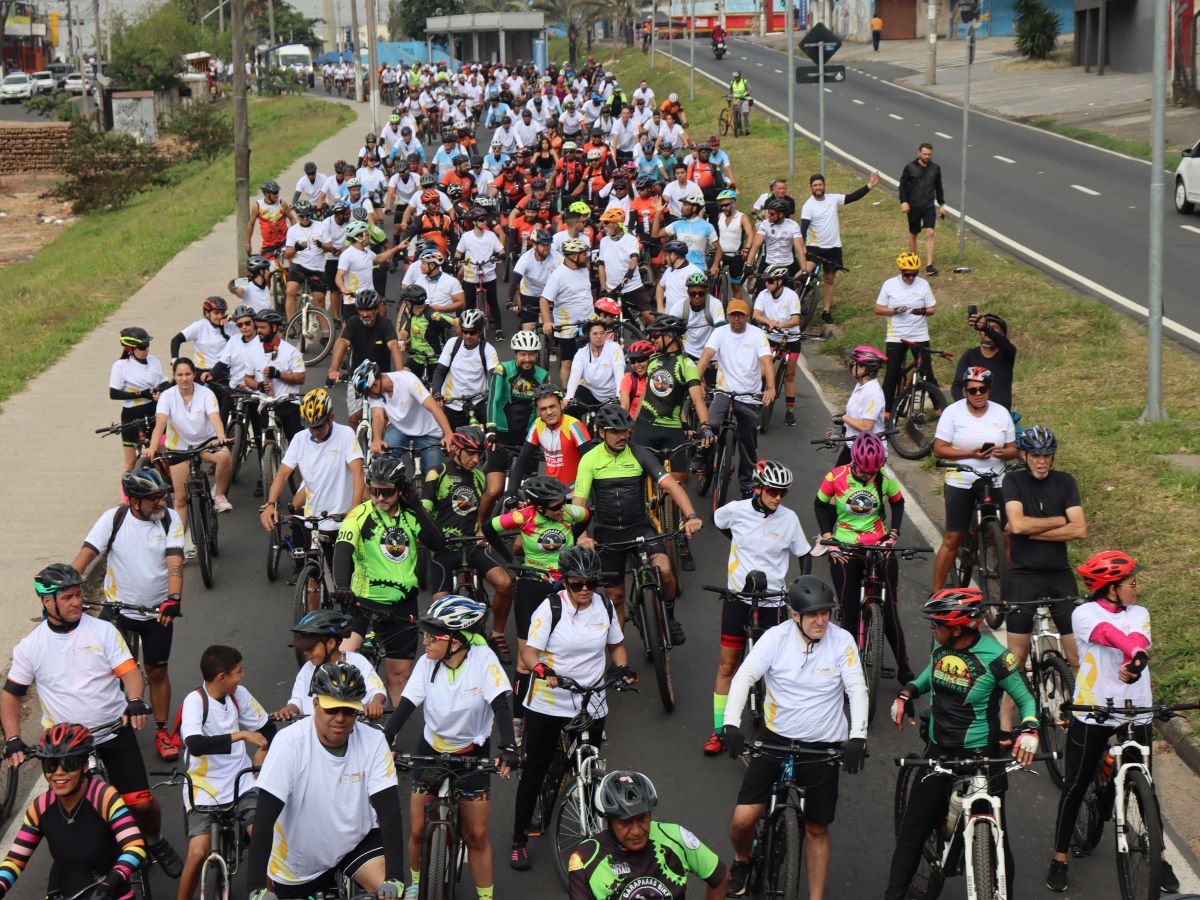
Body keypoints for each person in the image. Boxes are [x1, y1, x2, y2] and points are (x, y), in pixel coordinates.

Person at [3, 564, 182, 876]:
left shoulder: (102, 631)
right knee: (72, 814)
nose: (77, 602)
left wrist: (135, 700)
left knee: (141, 803)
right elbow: (10, 696)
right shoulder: (30, 647)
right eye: (68, 597)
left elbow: (130, 672)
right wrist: (13, 738)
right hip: (65, 746)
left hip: (113, 730)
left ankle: (155, 839)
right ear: (47, 602)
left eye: (79, 594)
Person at [884, 589, 1040, 900]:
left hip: (983, 758)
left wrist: (1030, 730)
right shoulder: (941, 645)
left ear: (956, 629)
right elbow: (931, 674)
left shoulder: (997, 658)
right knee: (912, 835)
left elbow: (1025, 699)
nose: (931, 627)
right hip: (939, 753)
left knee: (999, 842)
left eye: (936, 623)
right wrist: (907, 693)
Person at [722, 577, 868, 900]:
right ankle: (742, 861)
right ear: (794, 615)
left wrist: (858, 736)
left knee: (817, 828)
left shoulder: (842, 641)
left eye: (825, 613)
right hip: (776, 738)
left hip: (823, 745)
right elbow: (744, 676)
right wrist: (730, 724)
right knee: (743, 819)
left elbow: (857, 688)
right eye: (812, 614)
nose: (821, 621)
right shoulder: (775, 638)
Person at [1045, 551, 1179, 894]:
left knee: (1147, 787)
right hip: (1094, 710)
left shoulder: (1140, 612)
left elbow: (1138, 640)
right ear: (1110, 588)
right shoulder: (1084, 613)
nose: (1136, 587)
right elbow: (1108, 634)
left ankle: (1160, 857)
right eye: (1131, 583)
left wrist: (1135, 660)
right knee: (1075, 786)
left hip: (1136, 709)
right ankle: (1060, 857)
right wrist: (1133, 654)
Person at [385, 596, 519, 900]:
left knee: (478, 836)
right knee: (417, 830)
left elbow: (500, 705)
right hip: (431, 749)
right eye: (425, 635)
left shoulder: (484, 660)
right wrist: (386, 737)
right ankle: (416, 883)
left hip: (471, 753)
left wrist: (509, 746)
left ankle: (486, 897)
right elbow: (407, 704)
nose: (426, 642)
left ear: (456, 641)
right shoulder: (426, 663)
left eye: (433, 636)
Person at [510, 546, 635, 871]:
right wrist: (541, 669)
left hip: (592, 700)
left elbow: (616, 646)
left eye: (590, 583)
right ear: (565, 582)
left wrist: (622, 668)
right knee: (535, 769)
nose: (585, 590)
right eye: (577, 584)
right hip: (550, 702)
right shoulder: (550, 608)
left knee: (589, 766)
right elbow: (529, 653)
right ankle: (519, 840)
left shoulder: (603, 606)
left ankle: (593, 831)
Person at [246, 662, 406, 899]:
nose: (340, 718)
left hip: (355, 842)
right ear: (315, 704)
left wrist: (395, 877)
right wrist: (256, 888)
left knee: (390, 894)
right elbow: (264, 818)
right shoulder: (289, 743)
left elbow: (389, 811)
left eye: (348, 710)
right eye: (332, 709)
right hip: (300, 861)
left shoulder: (374, 740)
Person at [72, 469, 185, 761]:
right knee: (105, 671)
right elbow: (85, 557)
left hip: (157, 612)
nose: (161, 502)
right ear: (134, 501)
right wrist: (64, 588)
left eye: (163, 495)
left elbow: (174, 562)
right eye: (154, 498)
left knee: (157, 672)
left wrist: (173, 598)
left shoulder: (170, 519)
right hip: (117, 610)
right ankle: (103, 725)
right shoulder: (114, 519)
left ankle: (162, 731)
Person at [705, 461, 811, 756]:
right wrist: (737, 540)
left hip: (773, 602)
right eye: (773, 491)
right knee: (728, 665)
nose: (778, 497)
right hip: (738, 599)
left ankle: (779, 728)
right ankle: (718, 730)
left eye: (783, 493)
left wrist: (801, 586)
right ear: (758, 488)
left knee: (777, 668)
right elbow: (717, 521)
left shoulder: (789, 519)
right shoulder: (736, 510)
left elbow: (804, 554)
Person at [573, 404, 703, 639]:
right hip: (608, 535)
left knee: (665, 570)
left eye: (625, 430)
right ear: (601, 432)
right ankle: (615, 655)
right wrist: (582, 537)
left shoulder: (640, 453)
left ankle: (670, 617)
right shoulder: (589, 459)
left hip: (640, 529)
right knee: (616, 598)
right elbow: (579, 503)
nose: (622, 436)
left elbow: (672, 485)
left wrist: (691, 516)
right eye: (615, 431)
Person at [336, 455, 447, 704]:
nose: (379, 498)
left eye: (386, 492)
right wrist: (342, 585)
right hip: (362, 602)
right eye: (374, 491)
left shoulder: (410, 515)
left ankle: (393, 728)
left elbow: (438, 543)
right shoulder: (359, 515)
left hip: (402, 606)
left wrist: (416, 505)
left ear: (400, 489)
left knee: (399, 677)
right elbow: (342, 550)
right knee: (343, 661)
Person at [999, 425, 1086, 729]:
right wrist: (1059, 520)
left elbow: (1079, 529)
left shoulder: (1065, 481)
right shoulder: (1013, 481)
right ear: (1024, 456)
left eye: (1047, 455)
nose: (1042, 461)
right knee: (1017, 655)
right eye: (1036, 455)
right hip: (1023, 576)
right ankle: (1005, 722)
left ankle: (1083, 720)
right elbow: (1016, 525)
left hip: (1060, 575)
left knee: (1076, 656)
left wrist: (1033, 530)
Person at [0, 723, 147, 900]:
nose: (58, 772)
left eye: (68, 764)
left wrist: (109, 884)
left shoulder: (104, 797)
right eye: (50, 765)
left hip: (109, 892)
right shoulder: (40, 807)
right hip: (64, 892)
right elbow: (15, 860)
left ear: (84, 766)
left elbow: (135, 847)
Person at [176, 645, 273, 900]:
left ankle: (270, 893)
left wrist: (263, 751)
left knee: (262, 839)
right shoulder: (195, 701)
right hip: (204, 786)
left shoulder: (239, 695)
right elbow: (195, 745)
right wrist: (240, 735)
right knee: (198, 853)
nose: (242, 676)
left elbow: (267, 728)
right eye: (238, 672)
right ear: (222, 677)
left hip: (241, 781)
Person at [814, 431, 912, 683]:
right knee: (849, 613)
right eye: (864, 471)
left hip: (879, 546)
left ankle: (904, 668)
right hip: (845, 548)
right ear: (854, 462)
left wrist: (893, 535)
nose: (868, 476)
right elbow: (820, 505)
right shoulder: (835, 476)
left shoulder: (885, 476)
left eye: (872, 472)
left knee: (890, 613)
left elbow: (898, 503)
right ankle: (847, 671)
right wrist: (829, 539)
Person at [260, 388, 365, 615]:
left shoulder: (345, 435)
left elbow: (358, 473)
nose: (315, 432)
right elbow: (283, 474)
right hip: (315, 519)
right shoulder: (300, 440)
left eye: (319, 426)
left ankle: (356, 619)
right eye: (311, 427)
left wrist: (354, 510)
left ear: (331, 418)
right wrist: (270, 504)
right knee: (313, 576)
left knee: (346, 579)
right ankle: (312, 622)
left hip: (343, 520)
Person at [423, 427, 515, 661]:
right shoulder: (437, 473)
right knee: (440, 607)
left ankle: (497, 634)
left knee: (505, 583)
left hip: (471, 545)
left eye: (479, 454)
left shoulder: (478, 477)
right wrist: (428, 537)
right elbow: (424, 511)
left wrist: (481, 529)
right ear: (455, 449)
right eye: (471, 453)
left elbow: (481, 511)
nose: (476, 460)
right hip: (444, 548)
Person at [569, 771, 729, 899]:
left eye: (642, 818)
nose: (637, 831)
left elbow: (720, 877)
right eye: (625, 822)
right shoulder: (583, 859)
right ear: (608, 820)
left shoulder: (676, 837)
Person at [931, 367, 1017, 590]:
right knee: (953, 538)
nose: (978, 394)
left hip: (995, 478)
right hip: (962, 479)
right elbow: (939, 449)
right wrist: (970, 453)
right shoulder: (953, 412)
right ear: (965, 391)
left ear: (989, 389)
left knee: (1005, 537)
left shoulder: (1001, 413)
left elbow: (1013, 449)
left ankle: (1011, 592)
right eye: (972, 390)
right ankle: (936, 592)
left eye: (983, 389)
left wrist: (1004, 452)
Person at [696, 299, 776, 498]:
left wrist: (771, 387)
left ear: (747, 316)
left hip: (749, 396)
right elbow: (706, 357)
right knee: (711, 423)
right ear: (728, 316)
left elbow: (766, 361)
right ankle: (703, 458)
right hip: (725, 392)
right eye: (733, 315)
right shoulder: (720, 333)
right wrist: (695, 381)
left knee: (748, 444)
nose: (737, 319)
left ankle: (746, 484)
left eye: (740, 315)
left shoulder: (757, 334)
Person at [481, 330, 550, 523]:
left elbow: (543, 410)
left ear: (537, 355)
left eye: (531, 354)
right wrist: (491, 429)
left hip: (527, 439)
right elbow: (493, 400)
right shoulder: (502, 369)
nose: (527, 359)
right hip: (501, 437)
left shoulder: (543, 376)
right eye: (522, 354)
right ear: (515, 354)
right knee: (494, 490)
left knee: (529, 494)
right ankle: (479, 527)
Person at [799, 171, 880, 324]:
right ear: (811, 187)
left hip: (833, 248)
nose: (818, 187)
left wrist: (870, 185)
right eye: (815, 185)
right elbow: (803, 229)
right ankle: (791, 293)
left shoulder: (833, 198)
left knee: (829, 279)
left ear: (824, 185)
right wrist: (802, 246)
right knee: (805, 271)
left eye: (820, 184)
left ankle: (826, 311)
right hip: (814, 247)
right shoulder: (808, 206)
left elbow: (852, 197)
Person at [276, 611, 387, 722]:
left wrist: (376, 702)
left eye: (310, 648)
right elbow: (297, 700)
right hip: (313, 728)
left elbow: (377, 690)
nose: (305, 653)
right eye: (304, 649)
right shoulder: (307, 668)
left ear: (331, 643)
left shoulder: (358, 661)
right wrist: (289, 710)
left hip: (352, 725)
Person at [356, 360, 455, 473]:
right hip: (399, 428)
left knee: (434, 473)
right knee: (384, 465)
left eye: (367, 392)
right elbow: (378, 416)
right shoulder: (373, 393)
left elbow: (434, 407)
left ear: (375, 384)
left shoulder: (408, 380)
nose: (368, 396)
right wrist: (377, 439)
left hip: (428, 432)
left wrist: (448, 434)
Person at [325, 289, 404, 428]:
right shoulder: (353, 322)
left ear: (376, 310)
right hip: (358, 377)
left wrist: (400, 374)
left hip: (381, 379)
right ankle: (355, 441)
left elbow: (393, 347)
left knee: (384, 418)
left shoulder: (385, 324)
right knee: (354, 418)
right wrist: (334, 369)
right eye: (361, 310)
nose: (364, 314)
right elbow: (342, 343)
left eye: (368, 310)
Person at [875, 251, 937, 416]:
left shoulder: (923, 284)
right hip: (896, 336)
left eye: (914, 274)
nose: (910, 278)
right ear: (901, 271)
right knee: (892, 374)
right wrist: (895, 310)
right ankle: (886, 413)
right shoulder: (889, 285)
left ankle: (941, 410)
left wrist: (922, 311)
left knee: (927, 373)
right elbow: (878, 309)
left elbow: (932, 309)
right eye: (907, 275)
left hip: (919, 335)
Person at [508, 384, 593, 494]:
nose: (549, 412)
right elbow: (522, 459)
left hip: (574, 493)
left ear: (561, 404)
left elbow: (591, 463)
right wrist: (511, 493)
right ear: (538, 411)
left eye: (552, 406)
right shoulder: (537, 425)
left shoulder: (574, 426)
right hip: (550, 493)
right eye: (543, 409)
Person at [431, 308, 501, 430]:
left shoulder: (487, 349)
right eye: (465, 332)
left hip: (479, 403)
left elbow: (494, 375)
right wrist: (437, 393)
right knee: (452, 438)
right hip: (453, 404)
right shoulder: (452, 344)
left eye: (472, 332)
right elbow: (440, 371)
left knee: (489, 434)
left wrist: (494, 393)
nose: (468, 336)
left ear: (480, 331)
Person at [751, 264, 803, 427]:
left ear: (780, 281)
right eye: (766, 281)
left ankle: (790, 411)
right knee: (762, 372)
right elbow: (756, 315)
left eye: (770, 281)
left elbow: (796, 320)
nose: (767, 284)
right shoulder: (763, 294)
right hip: (771, 337)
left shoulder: (791, 296)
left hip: (791, 338)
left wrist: (780, 325)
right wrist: (769, 322)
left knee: (790, 375)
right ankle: (754, 402)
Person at [109, 327, 167, 473]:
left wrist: (159, 390)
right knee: (129, 464)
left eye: (147, 345)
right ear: (130, 349)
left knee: (163, 453)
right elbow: (114, 393)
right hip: (132, 414)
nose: (146, 349)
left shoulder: (154, 361)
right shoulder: (120, 366)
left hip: (153, 411)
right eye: (142, 347)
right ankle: (127, 488)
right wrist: (141, 394)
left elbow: (164, 381)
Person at [540, 237, 596, 387]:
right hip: (567, 326)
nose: (586, 257)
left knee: (592, 359)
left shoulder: (584, 269)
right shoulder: (557, 276)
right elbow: (544, 300)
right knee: (567, 362)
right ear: (573, 256)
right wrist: (547, 322)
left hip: (588, 322)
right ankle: (566, 393)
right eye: (583, 254)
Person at [831, 345, 887, 466]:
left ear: (863, 368)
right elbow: (856, 416)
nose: (852, 366)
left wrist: (843, 417)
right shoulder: (861, 386)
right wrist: (842, 428)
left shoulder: (874, 393)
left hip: (868, 453)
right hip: (854, 445)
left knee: (839, 477)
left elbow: (866, 426)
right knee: (836, 476)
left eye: (854, 364)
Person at [952, 312, 1016, 411]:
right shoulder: (970, 355)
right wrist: (965, 409)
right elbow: (956, 386)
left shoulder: (1007, 353)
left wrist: (986, 327)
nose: (987, 330)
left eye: (994, 328)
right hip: (975, 414)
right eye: (983, 329)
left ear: (1003, 334)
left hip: (1000, 415)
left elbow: (1006, 345)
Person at [898, 142, 945, 276]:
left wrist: (941, 204)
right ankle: (913, 262)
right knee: (914, 233)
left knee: (930, 232)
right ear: (919, 153)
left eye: (929, 154)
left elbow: (938, 187)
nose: (927, 157)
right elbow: (902, 186)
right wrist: (904, 202)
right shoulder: (910, 167)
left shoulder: (935, 168)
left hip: (929, 206)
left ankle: (930, 265)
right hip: (913, 206)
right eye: (924, 154)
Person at [283, 200, 329, 321]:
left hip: (317, 267)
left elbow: (330, 247)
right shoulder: (293, 230)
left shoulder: (321, 226)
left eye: (307, 215)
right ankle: (291, 324)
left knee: (319, 299)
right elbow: (287, 254)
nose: (305, 219)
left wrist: (321, 245)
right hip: (299, 266)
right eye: (301, 216)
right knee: (290, 291)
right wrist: (296, 248)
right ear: (298, 216)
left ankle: (326, 330)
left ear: (311, 214)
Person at [567, 319, 626, 408]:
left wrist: (619, 396)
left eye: (602, 333)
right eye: (595, 334)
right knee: (571, 408)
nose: (599, 336)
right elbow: (574, 377)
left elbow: (620, 376)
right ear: (588, 336)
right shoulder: (581, 353)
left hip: (612, 396)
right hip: (591, 392)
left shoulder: (614, 348)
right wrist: (568, 398)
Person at [170, 296, 234, 375]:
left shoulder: (231, 326)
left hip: (224, 371)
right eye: (216, 313)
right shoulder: (200, 326)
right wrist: (174, 359)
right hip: (202, 371)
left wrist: (234, 318)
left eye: (222, 313)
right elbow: (176, 339)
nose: (220, 316)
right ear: (207, 313)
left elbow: (247, 323)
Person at [745, 197, 806, 280]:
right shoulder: (765, 224)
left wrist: (804, 270)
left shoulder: (793, 226)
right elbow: (755, 245)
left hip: (788, 265)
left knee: (795, 286)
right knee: (759, 287)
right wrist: (748, 264)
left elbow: (799, 249)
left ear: (780, 214)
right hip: (769, 264)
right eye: (768, 212)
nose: (768, 215)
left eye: (771, 214)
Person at [711, 189, 753, 299]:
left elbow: (750, 234)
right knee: (713, 279)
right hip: (721, 254)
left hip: (736, 256)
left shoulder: (742, 217)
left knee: (735, 286)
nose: (723, 208)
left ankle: (737, 307)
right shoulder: (720, 216)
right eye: (721, 206)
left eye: (726, 205)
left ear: (733, 203)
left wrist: (746, 249)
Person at [619, 340, 653, 419]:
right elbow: (624, 407)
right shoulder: (628, 378)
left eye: (640, 360)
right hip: (634, 423)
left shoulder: (659, 377)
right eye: (633, 361)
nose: (637, 365)